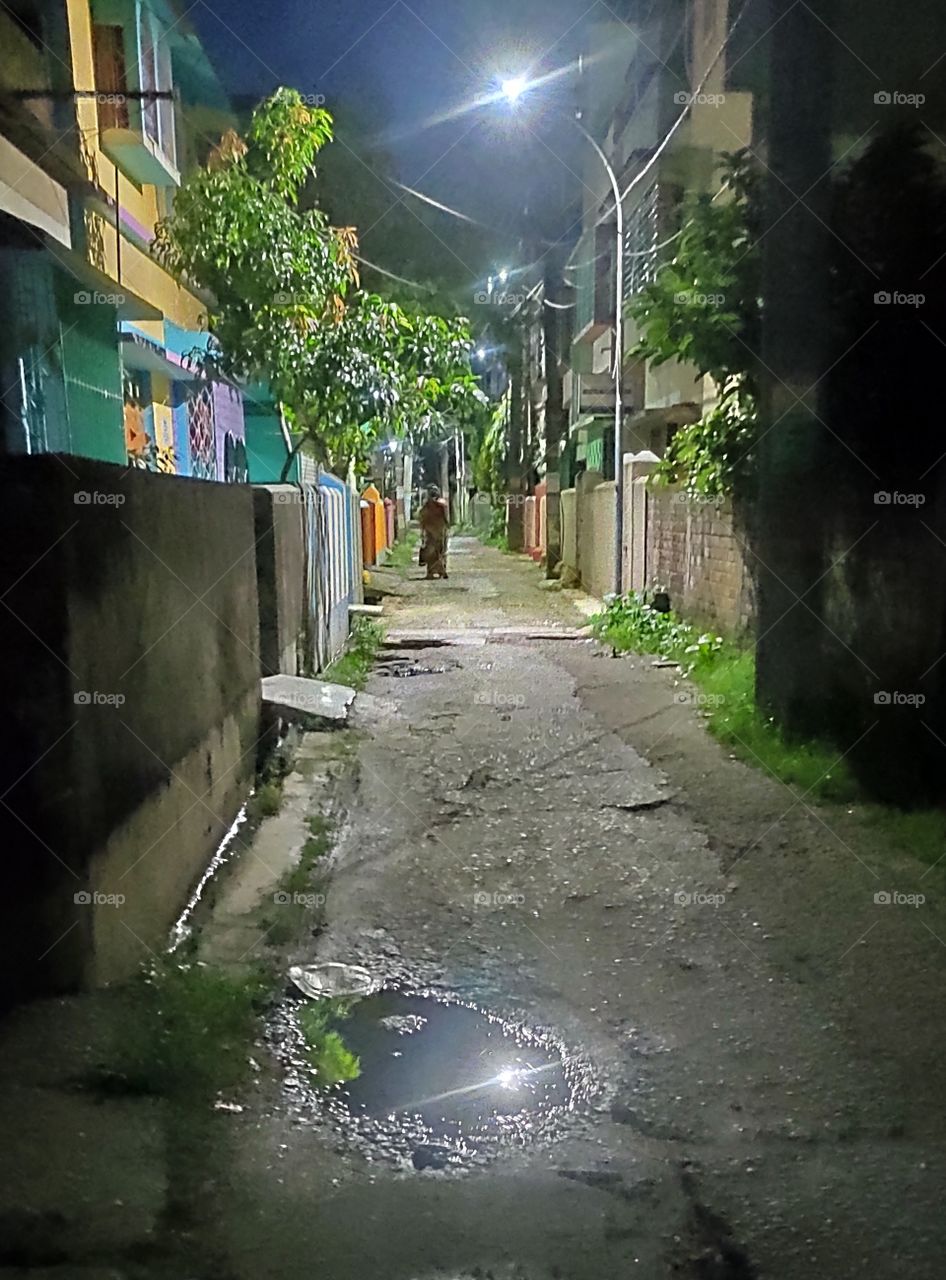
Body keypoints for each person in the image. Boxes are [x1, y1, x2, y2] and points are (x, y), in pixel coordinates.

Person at [418, 485, 450, 580]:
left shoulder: (427, 505)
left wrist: (423, 531)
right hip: (440, 532)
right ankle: (441, 570)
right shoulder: (442, 504)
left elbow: (422, 518)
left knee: (431, 553)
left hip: (431, 532)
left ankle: (432, 572)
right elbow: (446, 518)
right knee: (441, 552)